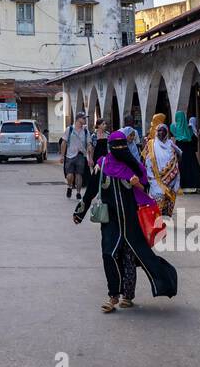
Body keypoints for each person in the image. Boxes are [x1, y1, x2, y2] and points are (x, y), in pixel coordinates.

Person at [74, 130, 178, 311]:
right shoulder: (102, 165)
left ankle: (128, 296)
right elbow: (91, 191)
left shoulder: (134, 166)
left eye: (123, 146)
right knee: (109, 254)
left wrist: (137, 183)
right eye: (116, 147)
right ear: (110, 147)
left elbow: (146, 187)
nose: (120, 150)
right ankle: (113, 296)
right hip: (111, 222)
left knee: (131, 258)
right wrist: (79, 213)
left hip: (132, 222)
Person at [142, 118, 182, 217]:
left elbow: (180, 153)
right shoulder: (151, 144)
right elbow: (145, 158)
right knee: (157, 198)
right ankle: (156, 221)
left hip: (169, 177)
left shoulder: (170, 143)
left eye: (163, 131)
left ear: (166, 132)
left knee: (167, 199)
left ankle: (163, 218)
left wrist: (175, 162)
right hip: (155, 177)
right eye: (159, 130)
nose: (161, 133)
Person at [59, 111, 93, 200]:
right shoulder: (69, 129)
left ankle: (78, 192)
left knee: (79, 175)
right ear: (78, 119)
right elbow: (64, 142)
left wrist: (90, 157)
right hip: (70, 155)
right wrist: (62, 156)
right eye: (84, 118)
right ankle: (69, 186)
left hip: (81, 155)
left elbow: (89, 143)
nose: (85, 120)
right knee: (69, 175)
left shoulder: (86, 131)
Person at [172, 111, 200, 192]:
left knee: (181, 167)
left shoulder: (174, 128)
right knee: (191, 167)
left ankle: (182, 184)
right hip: (189, 152)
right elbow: (192, 138)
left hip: (180, 152)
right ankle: (193, 184)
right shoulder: (189, 129)